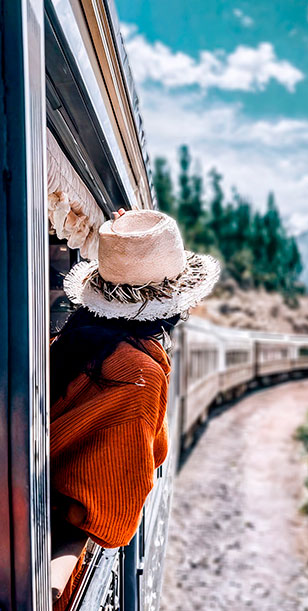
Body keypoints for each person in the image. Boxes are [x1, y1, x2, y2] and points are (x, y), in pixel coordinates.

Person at [50, 208, 219, 548]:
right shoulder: (139, 374)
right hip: (46, 559)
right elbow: (112, 522)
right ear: (175, 305)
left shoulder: (65, 343)